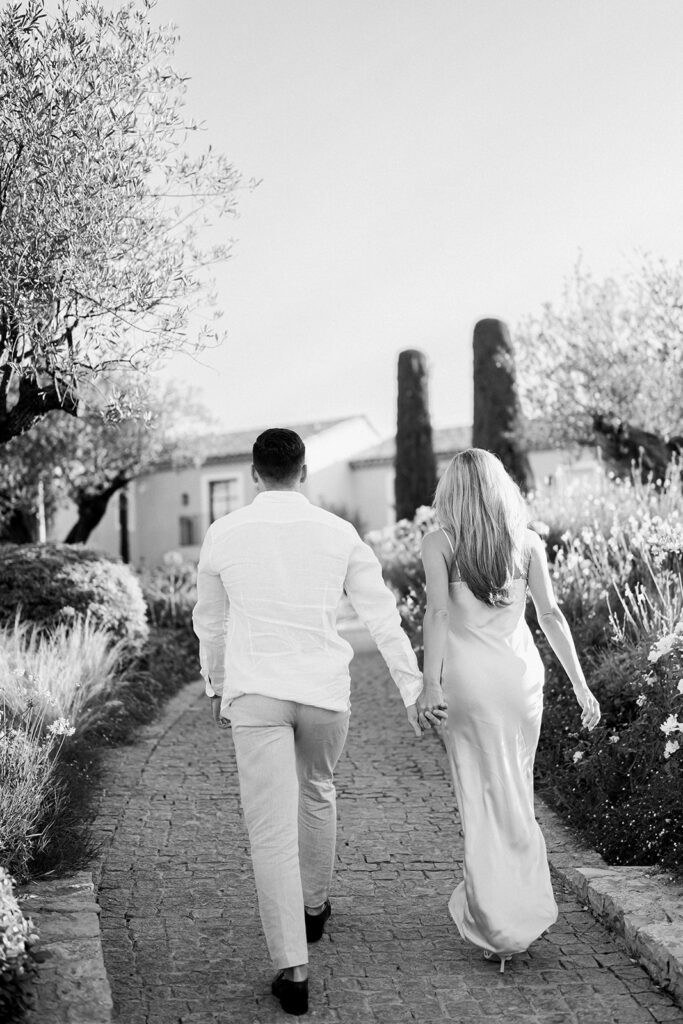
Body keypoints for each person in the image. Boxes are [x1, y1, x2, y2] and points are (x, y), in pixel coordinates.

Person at [192, 428, 445, 1016]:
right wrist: (412, 688)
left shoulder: (223, 533)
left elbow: (211, 623)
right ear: (303, 471)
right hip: (325, 694)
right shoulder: (339, 533)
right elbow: (382, 617)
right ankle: (314, 909)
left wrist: (217, 683)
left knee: (270, 830)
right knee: (319, 791)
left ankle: (294, 968)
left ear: (255, 474)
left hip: (257, 694)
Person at [418, 448, 600, 972]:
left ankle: (498, 923)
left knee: (480, 796)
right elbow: (551, 615)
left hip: (470, 686)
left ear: (451, 493)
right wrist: (581, 686)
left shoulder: (440, 543)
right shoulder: (527, 544)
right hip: (521, 682)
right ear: (503, 490)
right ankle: (521, 910)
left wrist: (430, 683)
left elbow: (435, 612)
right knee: (516, 791)